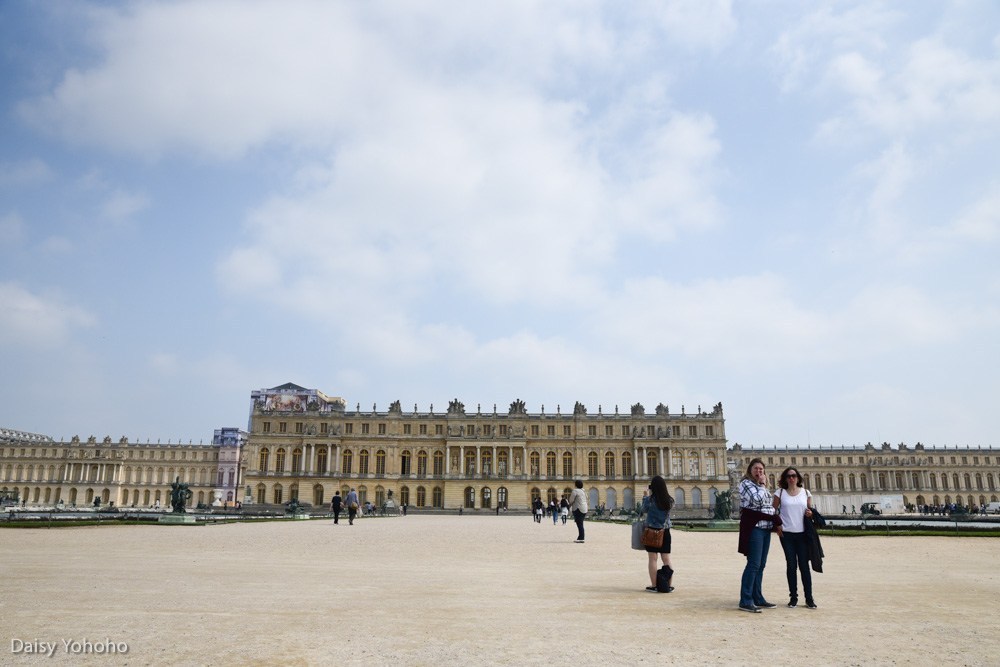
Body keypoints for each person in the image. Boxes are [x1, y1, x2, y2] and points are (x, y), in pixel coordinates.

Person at [738, 458, 781, 613]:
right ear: (750, 470)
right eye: (756, 469)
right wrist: (763, 485)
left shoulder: (759, 487)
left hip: (764, 528)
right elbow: (756, 501)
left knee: (761, 565)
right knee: (754, 564)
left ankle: (757, 597)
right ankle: (745, 600)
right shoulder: (745, 484)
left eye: (761, 469)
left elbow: (768, 506)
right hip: (754, 528)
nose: (759, 472)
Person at [774, 467, 816, 609]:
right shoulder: (780, 493)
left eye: (793, 475)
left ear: (798, 477)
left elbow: (810, 511)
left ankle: (809, 598)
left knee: (804, 566)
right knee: (791, 566)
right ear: (785, 479)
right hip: (786, 535)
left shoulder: (806, 492)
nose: (791, 478)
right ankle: (793, 598)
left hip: (803, 534)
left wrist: (810, 514)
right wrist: (777, 525)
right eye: (788, 476)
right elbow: (772, 511)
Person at [640, 475, 675, 592]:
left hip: (651, 531)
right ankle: (668, 584)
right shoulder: (669, 500)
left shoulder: (650, 500)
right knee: (666, 559)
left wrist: (645, 496)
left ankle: (654, 585)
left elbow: (643, 510)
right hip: (665, 531)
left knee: (653, 559)